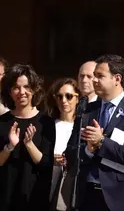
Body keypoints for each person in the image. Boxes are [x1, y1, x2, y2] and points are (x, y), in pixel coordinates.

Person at [65, 54, 124, 211]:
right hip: (86, 196)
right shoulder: (86, 110)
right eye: (94, 76)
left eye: (100, 76)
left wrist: (102, 141)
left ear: (117, 79)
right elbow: (70, 152)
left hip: (120, 199)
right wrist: (88, 150)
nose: (94, 80)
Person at [0, 64, 55, 211]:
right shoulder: (0, 122)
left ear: (34, 89)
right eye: (16, 88)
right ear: (9, 92)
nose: (22, 92)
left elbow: (46, 164)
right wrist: (9, 147)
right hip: (2, 197)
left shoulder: (45, 122)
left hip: (33, 198)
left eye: (27, 87)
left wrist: (29, 144)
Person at [46, 78, 80, 210]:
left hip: (73, 189)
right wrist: (51, 159)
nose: (64, 100)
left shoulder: (82, 126)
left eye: (69, 96)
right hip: (49, 186)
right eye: (59, 96)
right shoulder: (48, 125)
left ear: (78, 98)